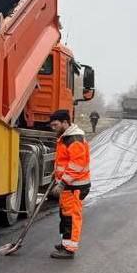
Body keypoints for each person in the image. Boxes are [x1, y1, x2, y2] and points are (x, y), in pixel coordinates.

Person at [49, 109, 91, 259]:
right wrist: (57, 175)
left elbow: (77, 165)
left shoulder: (74, 139)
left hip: (75, 186)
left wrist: (62, 183)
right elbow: (65, 161)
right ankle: (66, 243)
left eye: (55, 125)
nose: (53, 128)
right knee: (65, 215)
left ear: (65, 123)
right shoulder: (65, 137)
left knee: (71, 217)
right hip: (69, 186)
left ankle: (70, 249)